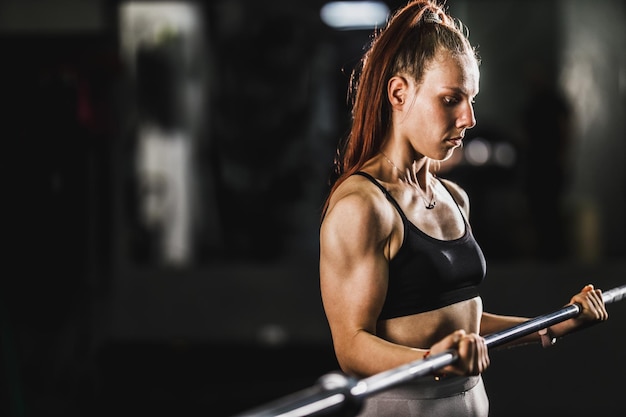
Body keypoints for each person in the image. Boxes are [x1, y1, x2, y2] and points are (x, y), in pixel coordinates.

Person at [318, 1, 609, 416]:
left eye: (470, 100)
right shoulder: (362, 206)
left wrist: (550, 324)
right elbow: (351, 346)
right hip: (405, 405)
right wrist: (433, 361)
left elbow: (462, 325)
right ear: (399, 93)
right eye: (451, 99)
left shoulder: (454, 197)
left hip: (471, 400)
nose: (469, 118)